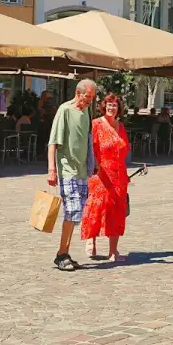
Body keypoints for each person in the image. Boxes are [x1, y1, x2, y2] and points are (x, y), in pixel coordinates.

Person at [47, 79, 97, 271]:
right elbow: (53, 142)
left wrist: (93, 163)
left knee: (76, 214)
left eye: (91, 98)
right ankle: (61, 255)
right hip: (67, 170)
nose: (89, 101)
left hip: (82, 170)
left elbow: (87, 139)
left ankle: (64, 253)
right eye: (87, 97)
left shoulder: (86, 111)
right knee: (72, 210)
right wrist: (52, 169)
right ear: (78, 93)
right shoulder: (65, 110)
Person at [83, 92, 131, 262]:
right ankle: (91, 240)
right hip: (100, 173)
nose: (112, 108)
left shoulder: (121, 126)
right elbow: (90, 148)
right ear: (104, 107)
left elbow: (125, 149)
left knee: (117, 212)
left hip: (119, 174)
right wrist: (95, 166)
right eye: (109, 105)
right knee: (96, 208)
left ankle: (113, 251)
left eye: (115, 105)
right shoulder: (96, 124)